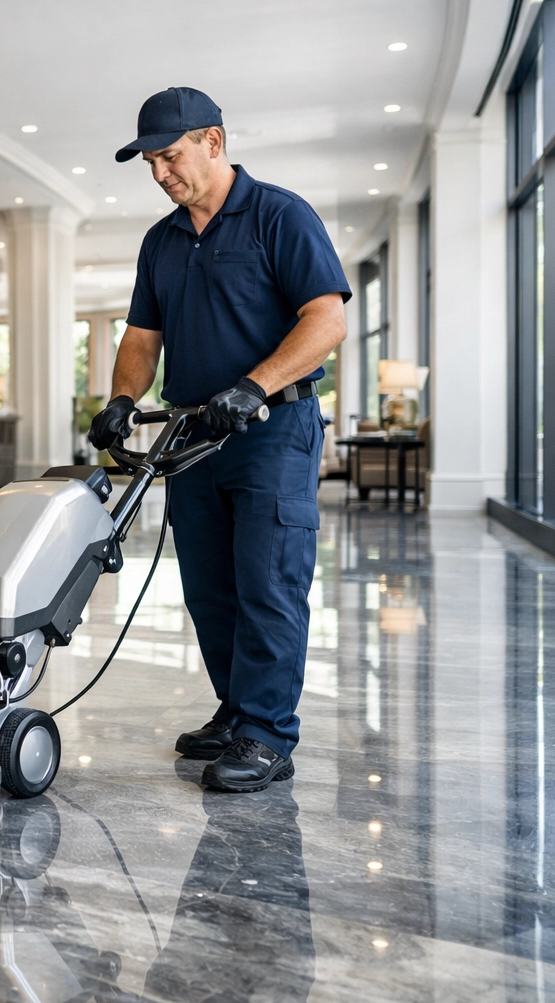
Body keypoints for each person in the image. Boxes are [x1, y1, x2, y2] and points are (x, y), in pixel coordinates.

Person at [87, 87, 349, 793]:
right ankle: (238, 712)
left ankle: (268, 734)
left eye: (169, 156)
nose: (159, 173)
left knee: (268, 581)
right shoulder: (161, 241)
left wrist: (255, 385)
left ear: (212, 140)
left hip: (273, 428)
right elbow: (143, 337)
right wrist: (120, 399)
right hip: (194, 435)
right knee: (209, 588)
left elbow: (325, 320)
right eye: (149, 161)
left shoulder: (279, 214)